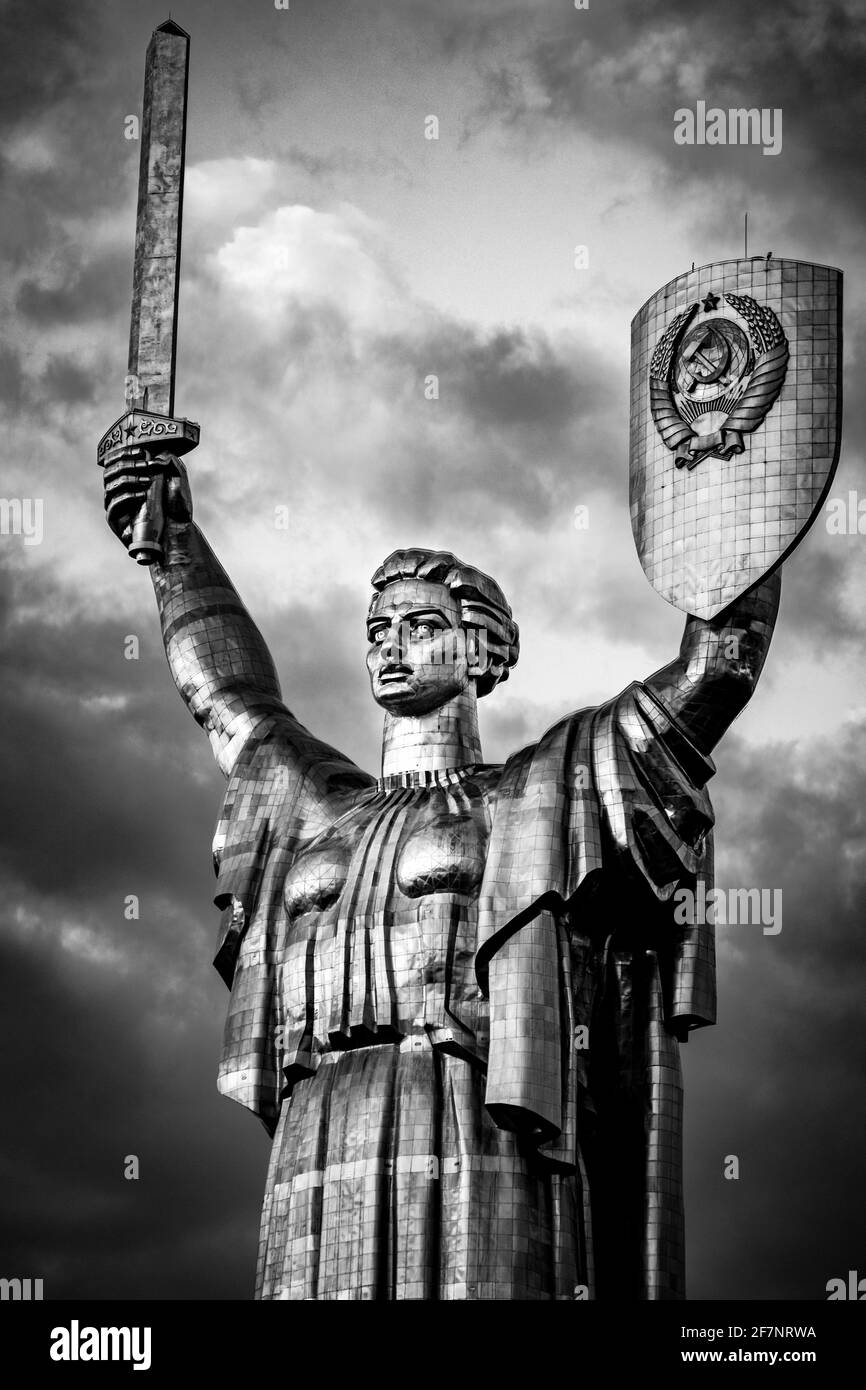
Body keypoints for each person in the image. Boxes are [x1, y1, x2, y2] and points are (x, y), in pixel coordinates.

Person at [103, 449, 780, 1300]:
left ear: (484, 651)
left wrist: (744, 479)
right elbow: (229, 697)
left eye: (421, 627)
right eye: (378, 631)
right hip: (320, 1116)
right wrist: (170, 546)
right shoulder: (318, 804)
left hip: (472, 1106)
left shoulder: (540, 789)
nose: (392, 646)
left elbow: (713, 672)